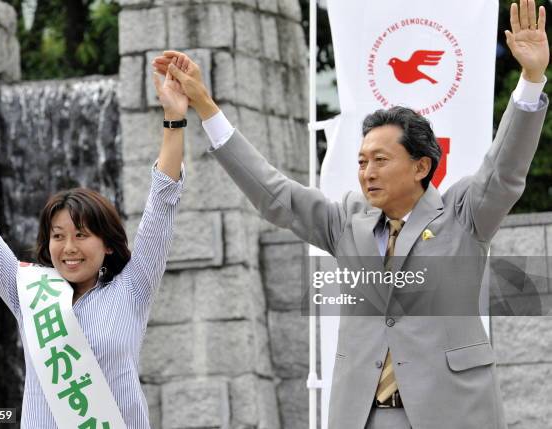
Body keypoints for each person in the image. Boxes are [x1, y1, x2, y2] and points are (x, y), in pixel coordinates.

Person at [152, 1, 549, 428]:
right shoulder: (346, 221)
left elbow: (504, 170)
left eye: (380, 159)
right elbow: (273, 193)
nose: (367, 172)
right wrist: (206, 107)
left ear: (420, 166)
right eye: (361, 162)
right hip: (364, 416)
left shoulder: (462, 214)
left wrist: (530, 80)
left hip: (451, 413)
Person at [0, 61, 190, 428]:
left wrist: (173, 118)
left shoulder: (134, 287)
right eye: (58, 236)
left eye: (81, 234)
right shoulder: (29, 293)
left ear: (107, 244)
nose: (68, 247)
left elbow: (162, 204)